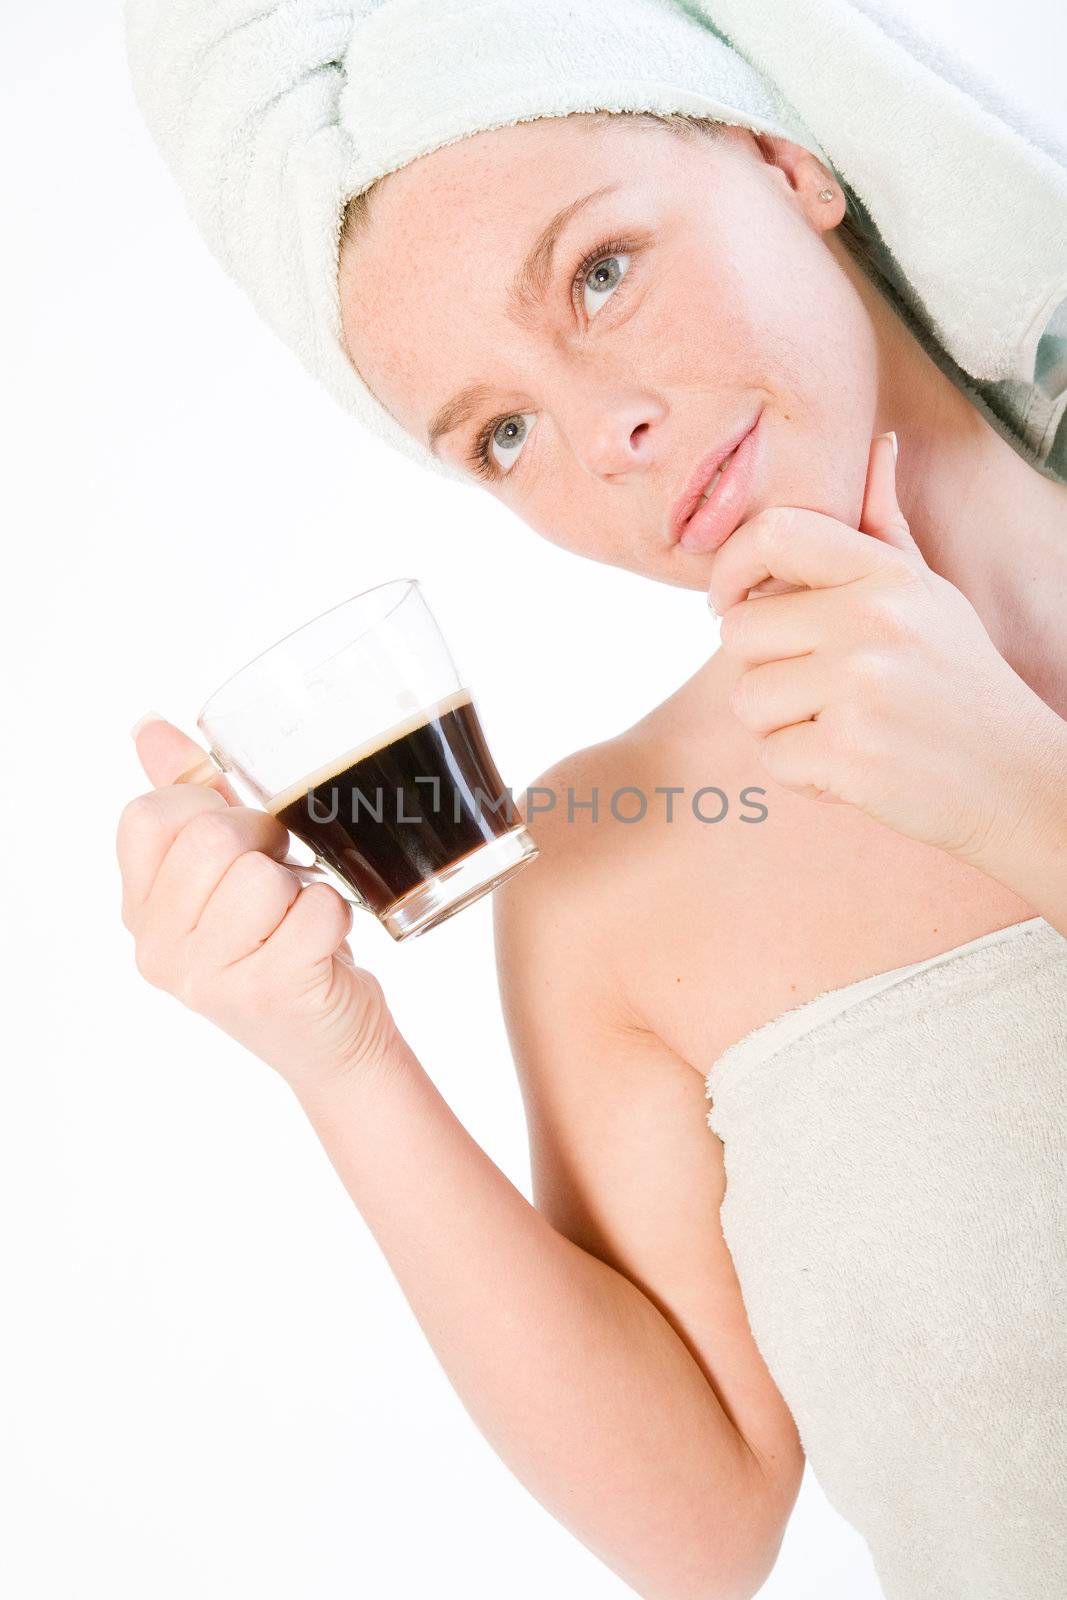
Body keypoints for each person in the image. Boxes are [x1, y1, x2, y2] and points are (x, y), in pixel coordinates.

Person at [117, 11, 1067, 1598]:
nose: (607, 439)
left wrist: (1024, 794)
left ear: (787, 160)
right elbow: (704, 1533)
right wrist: (334, 1054)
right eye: (501, 435)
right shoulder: (608, 872)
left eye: (601, 270)